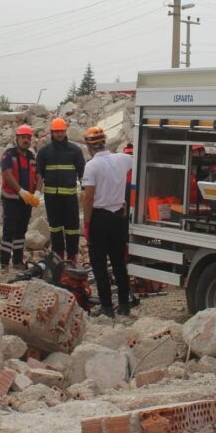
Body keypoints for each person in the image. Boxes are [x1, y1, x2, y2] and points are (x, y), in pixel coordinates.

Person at [80, 126, 133, 317]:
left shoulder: (92, 166)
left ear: (89, 146)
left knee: (100, 264)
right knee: (119, 263)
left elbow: (88, 197)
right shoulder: (121, 159)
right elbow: (136, 157)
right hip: (118, 217)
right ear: (104, 142)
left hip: (100, 218)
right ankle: (125, 305)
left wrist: (86, 224)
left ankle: (107, 307)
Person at [35, 117, 85, 263]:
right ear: (52, 132)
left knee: (72, 228)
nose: (59, 134)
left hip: (69, 197)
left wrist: (84, 190)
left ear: (65, 131)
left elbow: (83, 173)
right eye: (56, 132)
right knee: (55, 228)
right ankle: (58, 255)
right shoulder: (44, 152)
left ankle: (71, 256)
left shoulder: (75, 151)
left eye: (61, 131)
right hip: (51, 198)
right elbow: (39, 173)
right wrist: (37, 193)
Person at [0, 125, 40, 270]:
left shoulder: (31, 157)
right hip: (11, 199)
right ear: (17, 139)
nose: (26, 140)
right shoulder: (8, 154)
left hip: (26, 200)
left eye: (28, 138)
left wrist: (37, 192)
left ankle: (17, 261)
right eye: (23, 138)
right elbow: (7, 174)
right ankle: (4, 262)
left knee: (21, 231)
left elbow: (38, 176)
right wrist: (20, 191)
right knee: (8, 231)